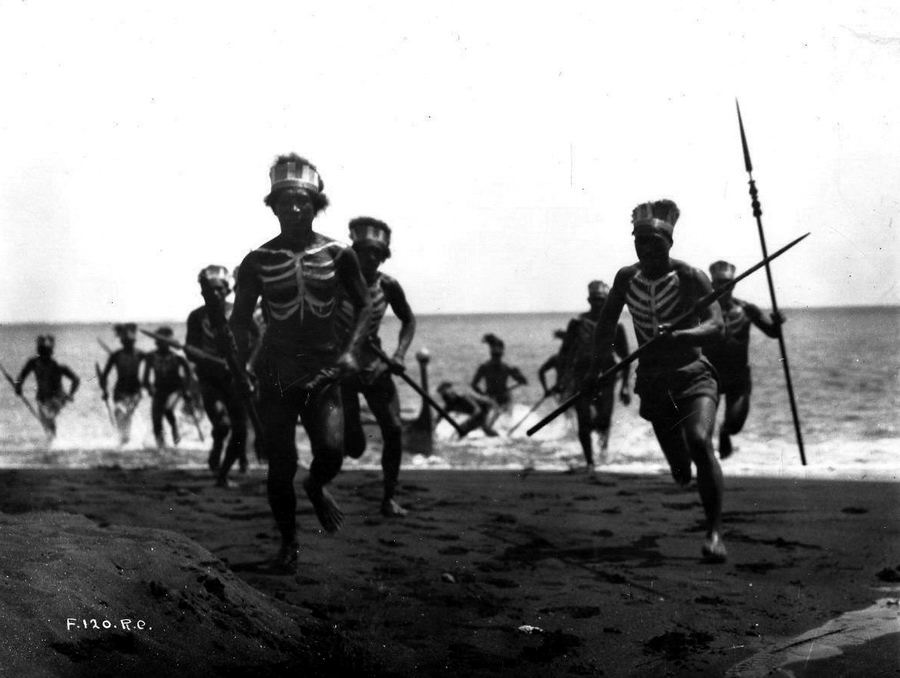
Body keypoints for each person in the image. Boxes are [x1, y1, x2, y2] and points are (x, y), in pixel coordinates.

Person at [230, 153, 372, 572]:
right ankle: (288, 545)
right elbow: (240, 320)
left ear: (316, 205)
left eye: (302, 202)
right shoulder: (257, 261)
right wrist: (242, 364)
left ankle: (316, 484)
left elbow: (364, 305)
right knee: (281, 463)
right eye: (285, 202)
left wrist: (351, 351)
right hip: (276, 372)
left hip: (325, 369)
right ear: (273, 207)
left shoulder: (339, 254)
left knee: (331, 451)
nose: (294, 209)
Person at [586, 199, 727, 562]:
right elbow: (605, 327)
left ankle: (713, 533)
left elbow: (717, 326)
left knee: (699, 441)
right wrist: (595, 371)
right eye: (640, 243)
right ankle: (684, 472)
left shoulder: (690, 276)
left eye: (655, 244)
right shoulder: (625, 278)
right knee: (680, 471)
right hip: (653, 382)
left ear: (670, 243)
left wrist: (681, 335)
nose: (647, 250)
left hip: (693, 375)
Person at [338, 217, 416, 517]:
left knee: (393, 430)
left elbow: (408, 319)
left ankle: (389, 498)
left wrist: (399, 354)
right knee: (355, 446)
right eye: (365, 252)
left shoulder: (388, 285)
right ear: (354, 253)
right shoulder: (336, 281)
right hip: (344, 368)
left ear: (384, 257)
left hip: (375, 365)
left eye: (377, 253)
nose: (371, 258)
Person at [703, 260, 783, 460]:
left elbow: (773, 333)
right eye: (719, 283)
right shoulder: (702, 309)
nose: (724, 287)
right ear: (712, 284)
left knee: (734, 424)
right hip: (709, 375)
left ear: (734, 284)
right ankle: (706, 462)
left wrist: (777, 322)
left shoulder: (747, 309)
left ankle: (724, 435)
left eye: (728, 283)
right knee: (702, 427)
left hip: (738, 376)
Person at [186, 265, 249, 486]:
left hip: (236, 378)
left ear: (227, 290)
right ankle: (217, 447)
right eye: (208, 290)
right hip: (209, 379)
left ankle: (224, 473)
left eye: (218, 289)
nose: (214, 293)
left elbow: (257, 340)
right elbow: (190, 349)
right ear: (202, 292)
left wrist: (249, 367)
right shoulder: (196, 317)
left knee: (240, 430)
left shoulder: (239, 312)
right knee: (222, 425)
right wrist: (206, 359)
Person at [559, 281, 632, 473]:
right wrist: (562, 380)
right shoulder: (577, 324)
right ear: (589, 300)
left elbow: (626, 358)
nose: (598, 303)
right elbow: (564, 354)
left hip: (606, 377)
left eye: (602, 299)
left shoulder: (615, 325)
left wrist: (625, 386)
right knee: (584, 419)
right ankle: (590, 461)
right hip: (581, 377)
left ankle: (603, 453)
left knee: (604, 419)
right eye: (595, 299)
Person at [15, 335, 80, 439]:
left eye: (46, 352)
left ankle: (55, 441)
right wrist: (18, 386)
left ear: (50, 353)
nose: (44, 356)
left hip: (57, 398)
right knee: (46, 423)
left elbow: (76, 380)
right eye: (42, 352)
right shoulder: (33, 363)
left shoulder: (57, 366)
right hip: (42, 399)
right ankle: (53, 442)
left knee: (49, 417)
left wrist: (70, 394)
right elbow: (21, 375)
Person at [141, 326, 192, 450]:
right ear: (157, 342)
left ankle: (174, 428)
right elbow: (145, 379)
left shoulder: (177, 358)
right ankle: (161, 447)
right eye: (160, 341)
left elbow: (189, 373)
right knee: (156, 419)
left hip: (175, 390)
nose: (162, 345)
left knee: (167, 409)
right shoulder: (151, 357)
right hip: (159, 390)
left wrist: (185, 390)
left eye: (165, 341)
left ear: (169, 343)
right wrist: (149, 388)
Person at [99, 323, 145, 445]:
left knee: (128, 413)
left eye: (131, 342)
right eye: (126, 342)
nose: (129, 344)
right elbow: (104, 375)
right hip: (120, 391)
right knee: (119, 413)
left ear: (134, 341)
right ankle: (124, 439)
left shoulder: (140, 354)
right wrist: (104, 389)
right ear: (122, 342)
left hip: (135, 391)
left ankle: (127, 439)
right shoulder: (116, 355)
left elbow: (152, 364)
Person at [471, 334, 527, 413]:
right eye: (495, 356)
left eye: (497, 356)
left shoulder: (506, 367)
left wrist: (519, 375)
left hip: (502, 398)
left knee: (505, 402)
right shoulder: (486, 367)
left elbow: (523, 381)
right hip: (493, 399)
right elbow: (473, 385)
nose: (496, 359)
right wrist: (483, 395)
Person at [536, 329, 567, 397]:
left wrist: (546, 390)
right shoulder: (557, 359)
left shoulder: (557, 358)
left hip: (562, 387)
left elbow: (541, 372)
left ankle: (557, 387)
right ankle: (557, 387)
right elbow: (541, 372)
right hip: (562, 388)